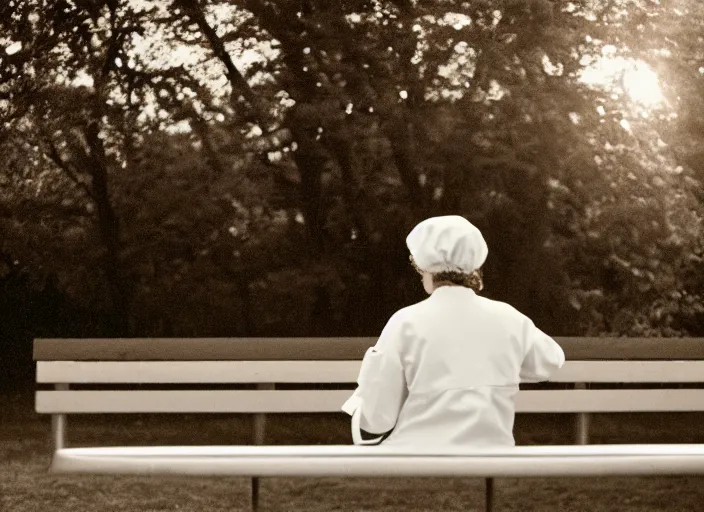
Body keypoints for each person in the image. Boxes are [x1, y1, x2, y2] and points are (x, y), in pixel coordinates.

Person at [341, 215, 565, 447]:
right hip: (492, 452)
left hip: (417, 455)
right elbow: (550, 361)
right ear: (474, 266)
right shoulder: (509, 318)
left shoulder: (405, 322)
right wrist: (495, 366)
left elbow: (376, 420)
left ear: (426, 267)